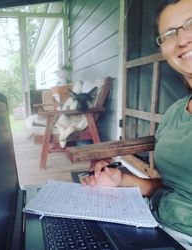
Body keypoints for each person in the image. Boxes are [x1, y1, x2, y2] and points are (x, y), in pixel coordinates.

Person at [81, 0, 192, 249]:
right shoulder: (175, 112)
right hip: (152, 220)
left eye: (190, 24)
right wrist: (121, 180)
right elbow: (175, 186)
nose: (182, 39)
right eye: (170, 33)